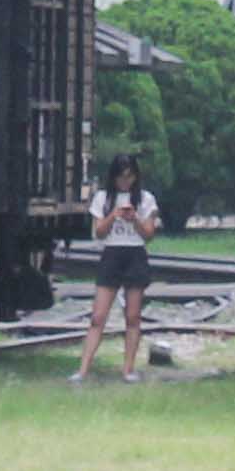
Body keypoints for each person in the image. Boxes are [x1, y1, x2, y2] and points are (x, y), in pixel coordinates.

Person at [72, 157, 160, 381]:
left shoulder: (146, 199)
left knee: (132, 316)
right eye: (121, 176)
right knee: (98, 316)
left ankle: (128, 369)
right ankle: (82, 370)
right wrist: (114, 215)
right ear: (113, 177)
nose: (125, 181)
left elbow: (148, 235)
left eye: (129, 176)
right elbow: (99, 232)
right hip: (111, 254)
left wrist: (135, 219)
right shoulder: (102, 197)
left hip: (135, 254)